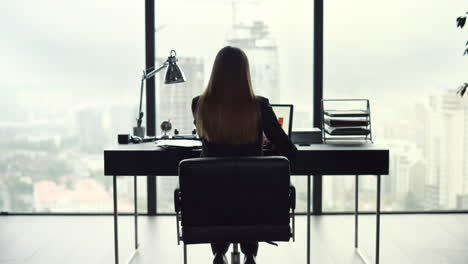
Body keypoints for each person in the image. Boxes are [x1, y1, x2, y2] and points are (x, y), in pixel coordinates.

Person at [191, 46, 297, 264]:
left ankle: (219, 252)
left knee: (219, 190)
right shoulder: (259, 105)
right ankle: (250, 253)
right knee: (250, 190)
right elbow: (288, 151)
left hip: (212, 206)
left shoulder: (199, 104)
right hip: (254, 205)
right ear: (246, 73)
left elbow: (206, 136)